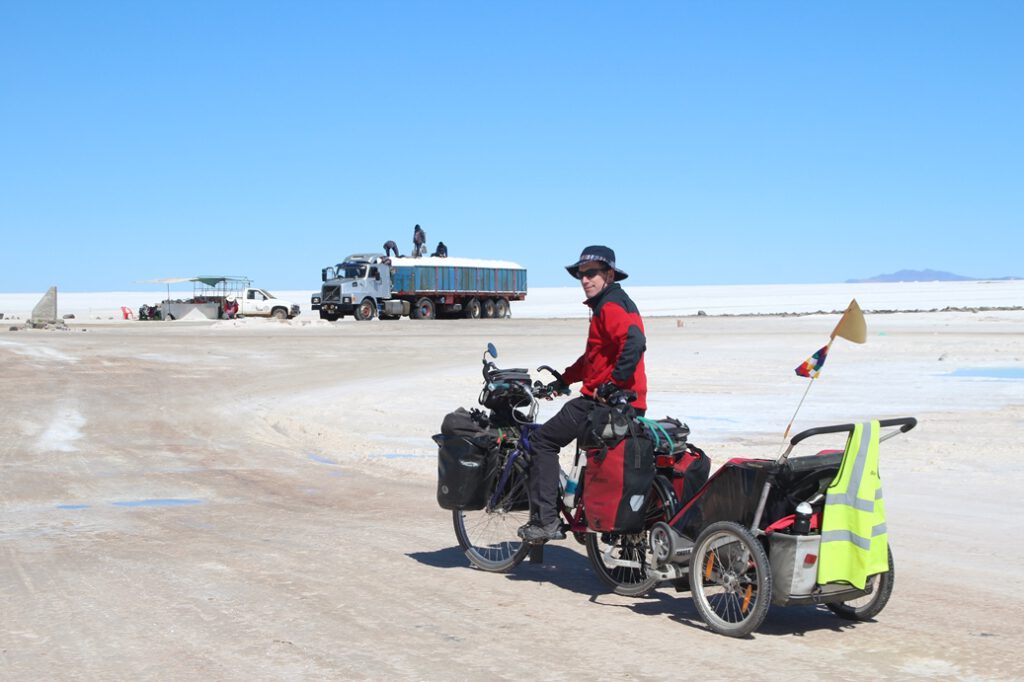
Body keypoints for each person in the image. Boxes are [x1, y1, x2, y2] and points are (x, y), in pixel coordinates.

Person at [518, 245, 648, 543]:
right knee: (590, 457)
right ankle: (588, 513)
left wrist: (613, 383)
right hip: (627, 404)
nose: (585, 279)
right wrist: (563, 380)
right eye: (581, 275)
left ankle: (546, 521)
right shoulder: (610, 305)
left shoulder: (611, 306)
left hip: (602, 404)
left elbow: (635, 342)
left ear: (609, 274)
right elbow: (593, 357)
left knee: (542, 441)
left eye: (592, 274)